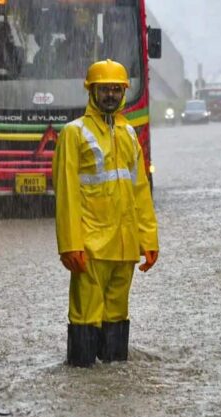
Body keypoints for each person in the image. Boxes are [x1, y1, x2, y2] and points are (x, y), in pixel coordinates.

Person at [52, 59, 159, 368]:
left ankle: (112, 376)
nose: (111, 95)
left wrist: (149, 240)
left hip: (124, 247)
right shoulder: (74, 133)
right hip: (90, 245)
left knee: (117, 313)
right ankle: (83, 374)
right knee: (85, 314)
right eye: (105, 90)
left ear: (124, 92)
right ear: (91, 92)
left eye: (116, 89)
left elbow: (140, 191)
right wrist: (70, 244)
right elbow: (67, 194)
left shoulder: (128, 134)